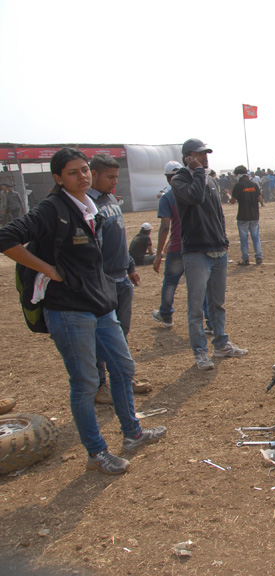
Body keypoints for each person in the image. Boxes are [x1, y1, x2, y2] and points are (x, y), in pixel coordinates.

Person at [0, 148, 165, 474]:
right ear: (58, 178)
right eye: (73, 172)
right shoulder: (51, 209)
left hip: (100, 304)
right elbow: (6, 237)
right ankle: (96, 453)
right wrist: (47, 268)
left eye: (85, 170)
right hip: (68, 310)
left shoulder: (92, 206)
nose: (83, 176)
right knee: (86, 384)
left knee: (122, 368)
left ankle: (132, 432)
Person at [170, 138, 248, 370]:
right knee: (196, 307)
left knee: (217, 303)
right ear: (188, 157)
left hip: (217, 250)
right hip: (196, 252)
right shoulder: (180, 180)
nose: (205, 158)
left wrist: (223, 240)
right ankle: (200, 353)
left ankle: (221, 344)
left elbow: (217, 213)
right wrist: (196, 172)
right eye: (199, 154)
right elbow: (195, 197)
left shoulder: (211, 179)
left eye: (206, 154)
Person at [87, 154, 151, 403]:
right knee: (101, 334)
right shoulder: (86, 204)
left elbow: (119, 238)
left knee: (121, 333)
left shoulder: (110, 199)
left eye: (116, 176)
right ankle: (99, 385)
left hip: (121, 278)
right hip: (101, 282)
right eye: (110, 177)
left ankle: (123, 377)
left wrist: (130, 266)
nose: (115, 182)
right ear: (93, 174)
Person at [151, 161, 210, 330]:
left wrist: (158, 254)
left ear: (168, 178)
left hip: (177, 247)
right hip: (197, 246)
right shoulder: (194, 192)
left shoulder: (168, 197)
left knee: (170, 283)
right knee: (201, 286)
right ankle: (210, 322)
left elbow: (164, 227)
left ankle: (166, 315)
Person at [230, 165, 264, 266]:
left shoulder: (238, 185)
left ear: (238, 174)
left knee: (244, 239)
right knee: (255, 237)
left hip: (243, 216)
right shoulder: (254, 184)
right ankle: (259, 257)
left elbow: (232, 201)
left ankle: (245, 259)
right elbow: (260, 199)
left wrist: (228, 196)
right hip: (254, 215)